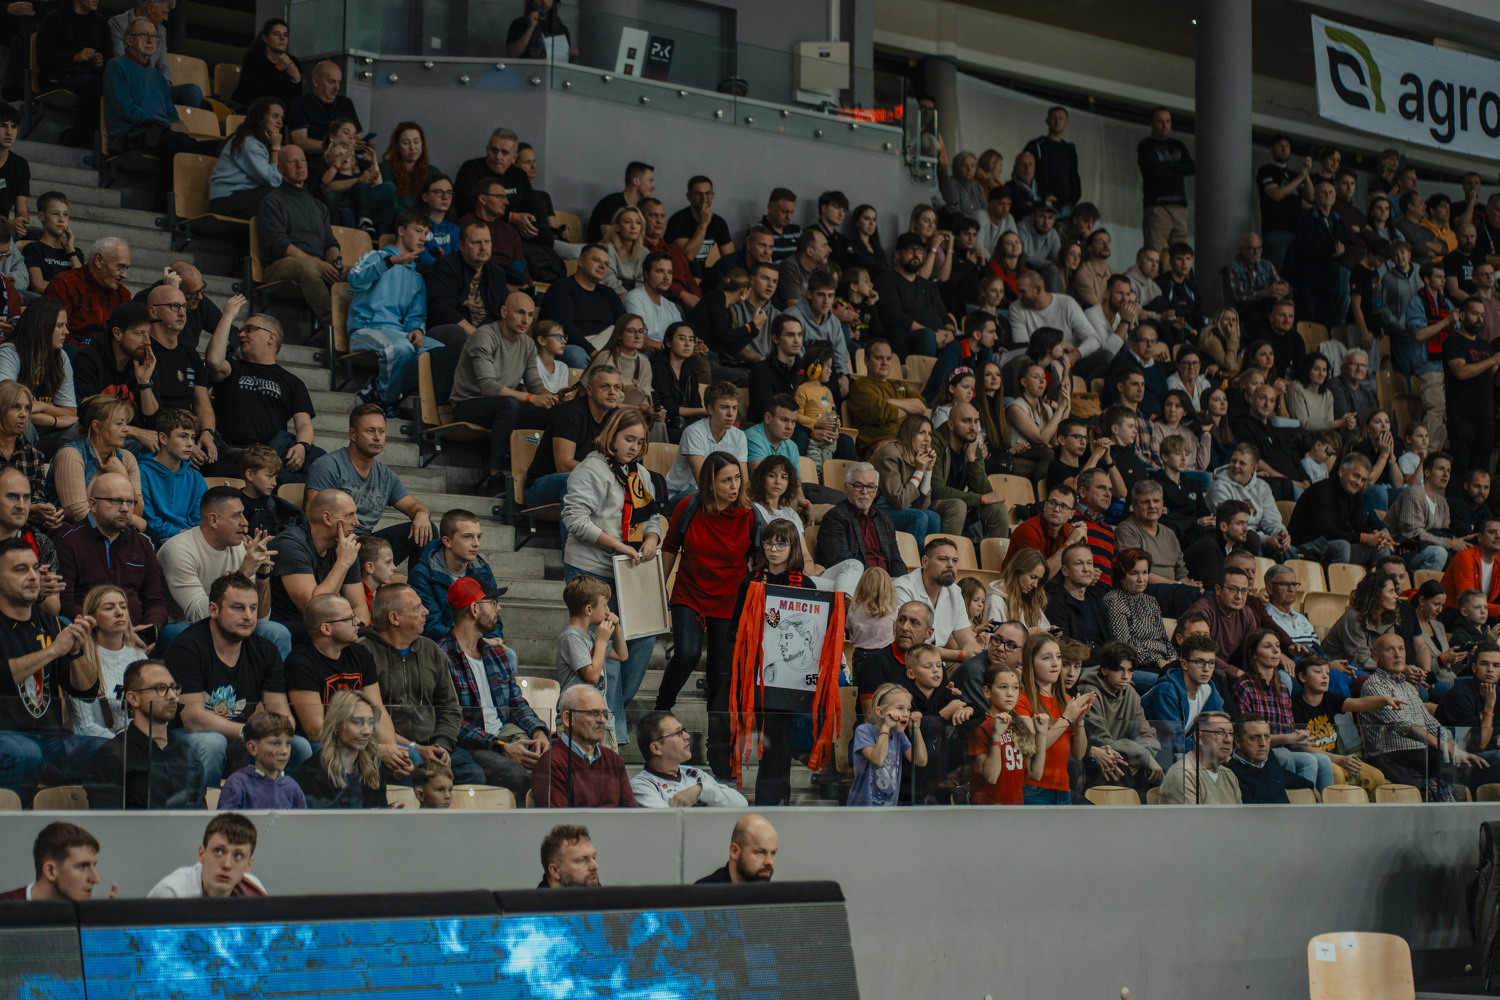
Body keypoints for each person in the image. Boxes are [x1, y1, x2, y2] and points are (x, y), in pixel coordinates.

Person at [654, 452, 755, 776]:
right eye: (727, 480)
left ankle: (718, 748)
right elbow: (670, 546)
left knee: (721, 676)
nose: (734, 486)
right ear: (709, 483)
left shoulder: (751, 516)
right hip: (690, 593)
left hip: (729, 600)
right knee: (687, 653)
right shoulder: (688, 507)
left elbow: (761, 559)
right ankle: (661, 710)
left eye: (737, 478)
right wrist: (658, 589)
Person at [169, 572, 306, 788]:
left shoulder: (265, 651)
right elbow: (193, 719)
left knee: (299, 746)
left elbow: (281, 712)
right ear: (213, 610)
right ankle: (203, 805)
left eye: (253, 608)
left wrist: (280, 733)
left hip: (242, 737)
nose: (248, 616)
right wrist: (250, 733)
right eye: (238, 608)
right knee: (212, 743)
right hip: (187, 736)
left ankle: (281, 802)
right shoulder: (187, 648)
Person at [359, 582, 483, 785]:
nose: (426, 612)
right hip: (391, 747)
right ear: (394, 618)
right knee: (411, 762)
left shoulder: (431, 650)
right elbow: (363, 718)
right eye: (417, 608)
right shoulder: (363, 653)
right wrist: (415, 747)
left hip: (433, 745)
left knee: (473, 775)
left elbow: (450, 707)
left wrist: (441, 746)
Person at [203, 299, 325, 483]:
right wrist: (227, 316)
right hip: (231, 451)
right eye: (241, 330)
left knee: (320, 462)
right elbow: (213, 361)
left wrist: (302, 446)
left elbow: (304, 425)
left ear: (271, 337)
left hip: (270, 455)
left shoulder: (292, 382)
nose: (241, 334)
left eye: (249, 329)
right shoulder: (233, 368)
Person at [157, 485, 285, 655]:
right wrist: (243, 573)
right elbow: (200, 616)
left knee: (276, 632)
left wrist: (262, 575)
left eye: (243, 514)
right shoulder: (179, 550)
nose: (245, 522)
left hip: (231, 623)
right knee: (177, 631)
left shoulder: (239, 549)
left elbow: (260, 618)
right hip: (188, 629)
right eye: (236, 515)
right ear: (213, 520)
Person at [304, 406, 432, 568]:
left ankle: (417, 584)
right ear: (353, 434)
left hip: (366, 544)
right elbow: (312, 517)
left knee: (428, 530)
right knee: (365, 547)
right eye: (370, 431)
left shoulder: (386, 476)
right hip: (335, 543)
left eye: (381, 431)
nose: (377, 437)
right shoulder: (328, 466)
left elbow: (414, 506)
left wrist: (421, 514)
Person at [1361, 632, 1486, 794]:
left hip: (1420, 754)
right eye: (1389, 650)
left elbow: (1429, 722)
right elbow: (1403, 725)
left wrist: (1453, 746)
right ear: (1376, 656)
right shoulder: (1374, 685)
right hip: (1391, 757)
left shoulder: (1408, 686)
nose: (1398, 655)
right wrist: (1443, 746)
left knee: (1471, 766)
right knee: (1454, 769)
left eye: (1401, 649)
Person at [55, 472, 167, 638]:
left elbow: (155, 600)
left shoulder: (142, 543)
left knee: (178, 633)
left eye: (130, 502)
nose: (125, 508)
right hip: (91, 634)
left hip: (138, 634)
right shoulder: (68, 541)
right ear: (93, 504)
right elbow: (65, 603)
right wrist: (103, 628)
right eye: (115, 501)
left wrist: (151, 628)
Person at [284, 593, 385, 744]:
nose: (358, 622)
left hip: (361, 737)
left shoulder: (361, 654)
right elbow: (316, 731)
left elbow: (377, 712)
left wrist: (389, 746)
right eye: (349, 619)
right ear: (326, 628)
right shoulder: (300, 663)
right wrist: (375, 749)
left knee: (408, 753)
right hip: (322, 746)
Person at [268, 488, 367, 640]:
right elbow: (313, 608)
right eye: (349, 515)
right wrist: (343, 563)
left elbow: (359, 606)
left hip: (329, 627)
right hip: (289, 629)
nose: (356, 522)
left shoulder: (344, 547)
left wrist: (358, 633)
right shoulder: (290, 544)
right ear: (327, 518)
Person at [1013, 633, 1094, 804]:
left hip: (1063, 789)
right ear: (1031, 663)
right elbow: (1033, 747)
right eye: (1047, 658)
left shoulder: (1067, 701)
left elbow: (1079, 754)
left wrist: (1079, 721)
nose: (1056, 663)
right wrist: (1066, 718)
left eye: (1058, 657)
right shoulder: (1020, 700)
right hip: (1031, 789)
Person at [409, 509, 505, 643]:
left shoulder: (483, 571)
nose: (476, 543)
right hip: (441, 646)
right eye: (467, 537)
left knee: (508, 653)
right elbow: (430, 627)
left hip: (477, 643)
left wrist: (490, 641)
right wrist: (476, 642)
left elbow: (493, 617)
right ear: (447, 541)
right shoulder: (423, 574)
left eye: (478, 536)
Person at [533, 684, 638, 807]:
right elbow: (558, 818)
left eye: (604, 714)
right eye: (593, 713)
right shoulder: (551, 764)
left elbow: (631, 812)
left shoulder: (613, 759)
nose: (602, 720)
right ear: (568, 718)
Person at [816, 463, 908, 595]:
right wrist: (880, 582)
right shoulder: (835, 517)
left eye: (870, 487)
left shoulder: (884, 518)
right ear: (846, 487)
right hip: (856, 587)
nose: (865, 492)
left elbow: (895, 559)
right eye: (858, 486)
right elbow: (843, 562)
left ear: (876, 490)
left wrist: (900, 581)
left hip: (887, 586)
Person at [1114, 479, 1202, 616]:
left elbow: (1181, 573)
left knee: (1210, 597)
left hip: (1174, 591)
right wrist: (1179, 585)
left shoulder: (1170, 533)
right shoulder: (1126, 530)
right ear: (1133, 506)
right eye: (1145, 502)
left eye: (1156, 501)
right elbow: (1136, 572)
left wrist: (1190, 585)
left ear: (1162, 504)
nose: (1152, 506)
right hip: (1144, 590)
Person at [555, 575, 625, 746]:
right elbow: (592, 676)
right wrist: (601, 641)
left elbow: (622, 655)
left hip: (600, 718)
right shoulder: (571, 637)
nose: (608, 611)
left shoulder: (591, 636)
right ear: (588, 609)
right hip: (578, 720)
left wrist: (616, 627)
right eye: (605, 605)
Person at [1286, 453, 1391, 565]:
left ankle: (1372, 577)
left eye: (1363, 480)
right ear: (1342, 472)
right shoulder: (1321, 490)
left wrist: (1377, 537)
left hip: (1332, 546)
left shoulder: (1354, 495)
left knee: (1381, 550)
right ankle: (1332, 576)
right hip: (1305, 546)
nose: (1359, 483)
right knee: (1342, 546)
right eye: (1356, 476)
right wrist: (1364, 537)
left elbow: (1360, 526)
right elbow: (1326, 531)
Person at [423, 221, 516, 349]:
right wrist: (478, 336)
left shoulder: (497, 273)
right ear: (461, 246)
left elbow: (503, 312)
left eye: (487, 242)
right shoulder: (444, 267)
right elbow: (444, 311)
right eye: (476, 242)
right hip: (448, 331)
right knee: (457, 332)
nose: (483, 247)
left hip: (487, 334)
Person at [292, 688, 388, 808]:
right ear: (336, 725)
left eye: (370, 722)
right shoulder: (313, 771)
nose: (367, 731)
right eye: (357, 722)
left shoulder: (374, 767)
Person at [630, 710, 748, 809]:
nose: (687, 736)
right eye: (678, 733)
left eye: (683, 730)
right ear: (656, 748)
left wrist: (701, 790)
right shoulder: (642, 785)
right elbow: (669, 823)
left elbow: (742, 804)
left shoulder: (695, 774)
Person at [35, 0, 110, 148]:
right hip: (57, 76)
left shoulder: (101, 23)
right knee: (91, 83)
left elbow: (109, 56)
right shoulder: (55, 18)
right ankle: (79, 138)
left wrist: (101, 60)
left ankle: (107, 143)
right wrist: (75, 57)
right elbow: (44, 58)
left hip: (89, 74)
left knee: (110, 81)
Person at [1443, 297, 1500, 485]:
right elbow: (1460, 372)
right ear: (1461, 315)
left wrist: (1497, 366)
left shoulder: (1486, 346)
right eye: (1475, 313)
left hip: (1485, 417)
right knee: (1461, 470)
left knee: (1481, 471)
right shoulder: (1453, 342)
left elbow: (1493, 380)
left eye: (1482, 315)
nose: (1480, 319)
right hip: (1462, 417)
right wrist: (1492, 361)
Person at [871, 413, 949, 548]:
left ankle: (928, 559)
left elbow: (922, 506)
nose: (927, 439)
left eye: (930, 434)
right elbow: (899, 501)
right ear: (909, 434)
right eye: (921, 433)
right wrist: (919, 471)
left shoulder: (915, 455)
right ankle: (910, 559)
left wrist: (928, 470)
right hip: (879, 510)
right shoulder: (890, 454)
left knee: (933, 517)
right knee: (919, 517)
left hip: (902, 510)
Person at [147, 813, 267, 898]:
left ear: (248, 865)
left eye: (238, 856)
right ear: (201, 854)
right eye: (218, 851)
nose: (227, 865)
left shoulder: (254, 892)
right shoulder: (171, 894)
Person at [873, 233, 951, 359]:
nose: (915, 254)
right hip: (907, 339)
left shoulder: (928, 285)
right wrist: (933, 334)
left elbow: (944, 316)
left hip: (938, 338)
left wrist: (950, 333)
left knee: (963, 342)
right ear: (897, 254)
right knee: (927, 336)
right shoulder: (887, 280)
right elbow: (893, 316)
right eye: (910, 250)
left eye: (919, 250)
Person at [847, 681, 926, 806]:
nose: (906, 714)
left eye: (908, 709)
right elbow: (878, 760)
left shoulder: (899, 735)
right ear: (880, 711)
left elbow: (920, 760)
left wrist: (915, 729)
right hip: (863, 808)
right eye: (900, 708)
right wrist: (886, 727)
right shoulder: (864, 731)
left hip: (888, 808)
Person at [665, 382, 746, 503]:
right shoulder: (693, 432)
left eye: (734, 408)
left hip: (720, 494)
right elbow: (704, 482)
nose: (731, 414)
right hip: (681, 495)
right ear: (710, 409)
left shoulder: (739, 435)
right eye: (724, 407)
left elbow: (743, 480)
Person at [1102, 548, 1177, 677]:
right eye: (1134, 573)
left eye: (1145, 573)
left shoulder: (1150, 600)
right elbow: (1124, 648)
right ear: (1121, 576)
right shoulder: (1115, 600)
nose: (1141, 579)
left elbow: (1164, 640)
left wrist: (1173, 660)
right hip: (1137, 667)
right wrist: (1157, 661)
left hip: (1162, 663)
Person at [1207, 444, 1292, 556]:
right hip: (1233, 541)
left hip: (1261, 538)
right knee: (1253, 541)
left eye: (1242, 463)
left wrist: (1281, 534)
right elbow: (1233, 526)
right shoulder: (1219, 487)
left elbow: (1272, 519)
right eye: (1233, 461)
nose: (1236, 466)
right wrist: (1265, 540)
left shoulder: (1262, 487)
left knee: (1287, 550)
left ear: (1254, 469)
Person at [846, 338, 925, 457]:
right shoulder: (860, 386)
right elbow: (881, 412)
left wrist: (890, 402)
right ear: (866, 361)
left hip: (908, 443)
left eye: (888, 358)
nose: (885, 363)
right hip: (880, 448)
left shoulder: (899, 385)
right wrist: (909, 410)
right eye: (879, 358)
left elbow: (921, 407)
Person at [208, 97, 285, 219]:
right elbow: (274, 181)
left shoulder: (260, 143)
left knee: (293, 193)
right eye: (275, 116)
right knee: (279, 195)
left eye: (282, 118)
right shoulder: (249, 143)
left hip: (241, 198)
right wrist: (276, 148)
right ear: (260, 118)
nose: (280, 123)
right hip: (226, 201)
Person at [137, 408, 207, 542]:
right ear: (163, 438)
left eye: (192, 437)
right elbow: (147, 521)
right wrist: (188, 535)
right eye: (183, 436)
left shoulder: (196, 478)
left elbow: (200, 520)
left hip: (193, 539)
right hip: (157, 540)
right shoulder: (142, 472)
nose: (190, 444)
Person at [0, 822, 116, 901]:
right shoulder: (5, 912)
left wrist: (105, 925)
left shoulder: (86, 915)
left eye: (93, 866)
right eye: (82, 866)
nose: (96, 879)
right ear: (50, 871)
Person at [1386, 452, 1460, 572]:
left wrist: (1455, 542)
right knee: (1439, 553)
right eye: (1441, 469)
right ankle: (1425, 584)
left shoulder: (1443, 503)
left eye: (1448, 470)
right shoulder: (1414, 492)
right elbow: (1412, 534)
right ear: (1427, 472)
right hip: (1400, 548)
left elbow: (1442, 533)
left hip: (1423, 549)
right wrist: (1450, 543)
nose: (1446, 474)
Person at [217, 708, 305, 810]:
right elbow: (226, 819)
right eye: (275, 743)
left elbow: (303, 820)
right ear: (253, 748)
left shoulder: (292, 788)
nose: (284, 751)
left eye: (288, 743)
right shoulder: (238, 783)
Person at [1223, 712, 1318, 803]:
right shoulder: (1232, 775)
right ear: (1238, 742)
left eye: (1267, 737)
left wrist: (1312, 786)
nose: (1263, 743)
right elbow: (1249, 813)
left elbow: (1283, 775)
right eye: (1255, 737)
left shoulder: (1269, 758)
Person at [666, 175, 735, 276]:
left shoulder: (718, 222)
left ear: (712, 195)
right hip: (677, 272)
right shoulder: (678, 220)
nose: (704, 198)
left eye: (708, 193)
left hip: (701, 273)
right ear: (689, 197)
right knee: (694, 267)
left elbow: (730, 259)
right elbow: (688, 256)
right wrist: (703, 224)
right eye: (698, 194)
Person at [21, 192, 80, 299]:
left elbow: (83, 284)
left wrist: (71, 252)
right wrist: (72, 290)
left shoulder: (75, 252)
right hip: (46, 304)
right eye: (55, 213)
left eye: (65, 214)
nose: (61, 219)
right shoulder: (33, 249)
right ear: (41, 216)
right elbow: (38, 285)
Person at [231, 18, 302, 107]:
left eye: (285, 35)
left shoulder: (292, 61)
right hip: (252, 107)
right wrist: (278, 68)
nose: (282, 38)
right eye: (276, 34)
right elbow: (254, 93)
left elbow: (295, 99)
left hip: (280, 110)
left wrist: (296, 80)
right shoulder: (253, 57)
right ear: (265, 38)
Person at [1441, 515, 1500, 621]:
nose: (1498, 536)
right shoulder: (1465, 557)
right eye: (1492, 532)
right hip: (1455, 613)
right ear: (1480, 537)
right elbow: (1469, 600)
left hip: (1480, 613)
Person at [586, 161, 654, 244]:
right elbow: (610, 241)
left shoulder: (640, 208)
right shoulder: (609, 204)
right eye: (650, 181)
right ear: (636, 181)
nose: (653, 186)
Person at [538, 824, 600, 888]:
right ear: (555, 871)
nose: (595, 866)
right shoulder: (536, 896)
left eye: (593, 858)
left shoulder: (603, 894)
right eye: (582, 860)